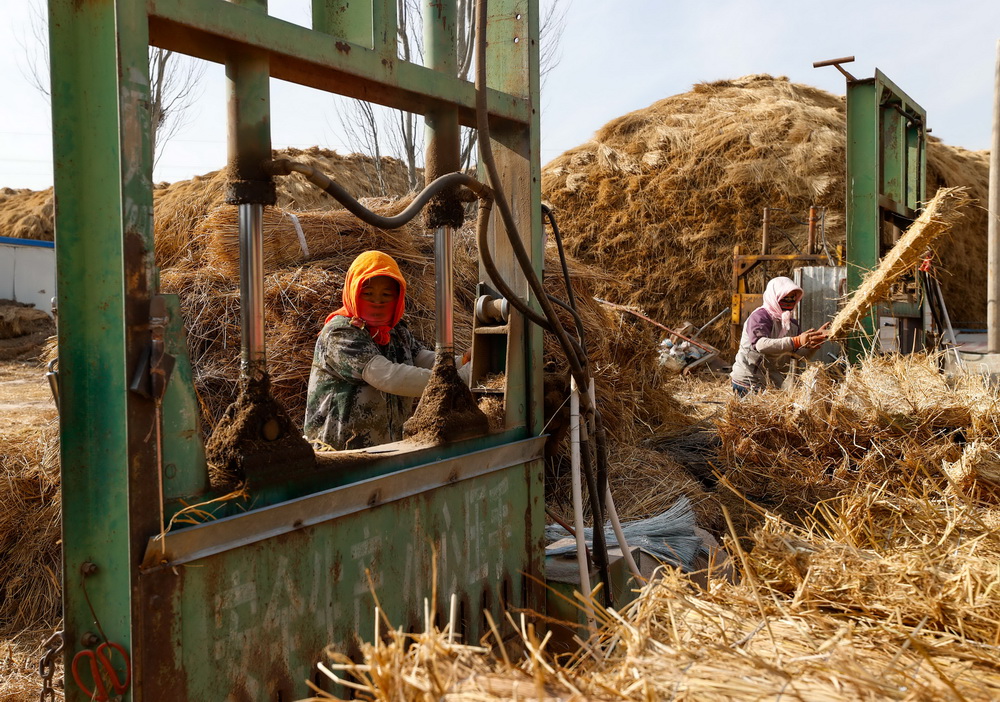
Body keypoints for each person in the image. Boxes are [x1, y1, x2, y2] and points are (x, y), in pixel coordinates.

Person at [304, 250, 441, 450]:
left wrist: (464, 362)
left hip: (384, 450)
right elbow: (387, 376)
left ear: (398, 298)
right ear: (353, 292)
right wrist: (452, 380)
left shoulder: (396, 331)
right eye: (367, 294)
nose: (377, 302)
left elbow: (425, 358)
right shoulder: (340, 332)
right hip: (338, 455)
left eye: (386, 295)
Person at [730, 276, 828, 397]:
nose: (789, 301)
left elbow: (797, 355)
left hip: (771, 385)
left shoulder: (791, 324)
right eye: (785, 297)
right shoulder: (761, 317)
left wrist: (812, 344)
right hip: (748, 381)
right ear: (774, 296)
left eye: (793, 297)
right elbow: (760, 345)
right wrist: (797, 341)